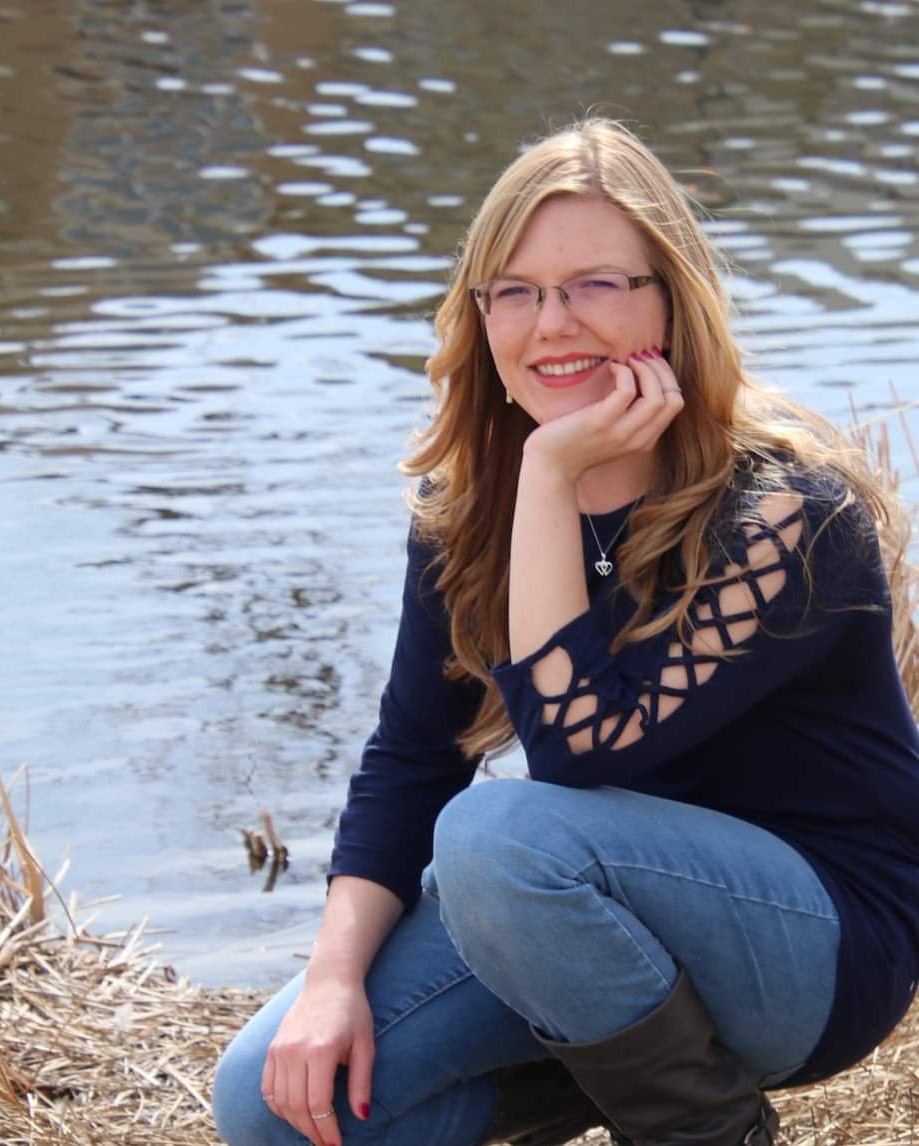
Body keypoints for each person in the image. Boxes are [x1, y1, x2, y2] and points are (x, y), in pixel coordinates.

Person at [212, 117, 919, 1146]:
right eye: (518, 290)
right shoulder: (468, 513)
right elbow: (413, 758)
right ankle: (605, 1075)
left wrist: (550, 478)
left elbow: (578, 750)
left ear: (671, 305)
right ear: (480, 313)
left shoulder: (789, 518)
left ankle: (708, 1131)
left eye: (595, 284)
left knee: (496, 837)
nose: (552, 324)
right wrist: (330, 984)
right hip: (582, 924)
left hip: (813, 943)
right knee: (278, 1109)